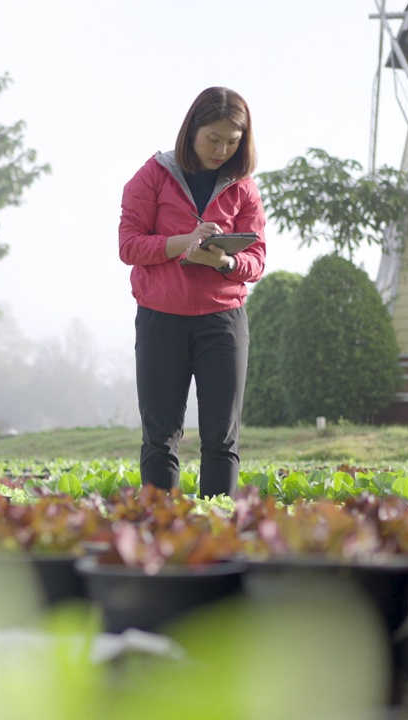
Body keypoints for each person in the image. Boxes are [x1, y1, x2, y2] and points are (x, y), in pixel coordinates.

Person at [118, 86, 267, 497]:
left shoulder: (244, 187)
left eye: (232, 142)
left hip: (223, 322)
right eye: (213, 139)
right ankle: (161, 533)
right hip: (161, 319)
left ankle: (216, 536)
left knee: (222, 437)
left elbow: (256, 260)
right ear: (191, 131)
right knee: (160, 436)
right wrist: (185, 242)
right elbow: (128, 245)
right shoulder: (152, 175)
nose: (221, 150)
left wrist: (224, 262)